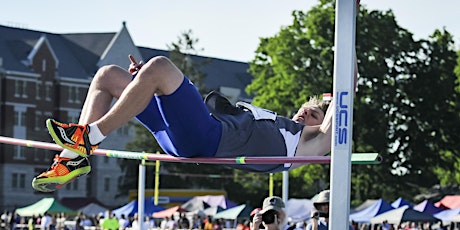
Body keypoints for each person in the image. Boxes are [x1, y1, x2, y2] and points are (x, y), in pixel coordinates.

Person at [32, 52, 357, 192]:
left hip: (206, 139)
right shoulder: (276, 123)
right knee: (108, 77)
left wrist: (349, 29)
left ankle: (90, 137)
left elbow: (343, 103)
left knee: (161, 66)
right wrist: (144, 83)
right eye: (302, 109)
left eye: (312, 114)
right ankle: (71, 161)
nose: (303, 114)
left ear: (322, 122)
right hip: (184, 132)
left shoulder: (307, 146)